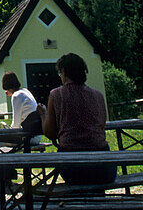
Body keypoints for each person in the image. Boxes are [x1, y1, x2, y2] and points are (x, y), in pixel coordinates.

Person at [42, 53, 115, 186]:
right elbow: (101, 125)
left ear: (64, 72)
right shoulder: (98, 95)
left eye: (60, 73)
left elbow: (50, 133)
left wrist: (43, 115)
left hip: (73, 165)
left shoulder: (56, 94)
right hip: (104, 164)